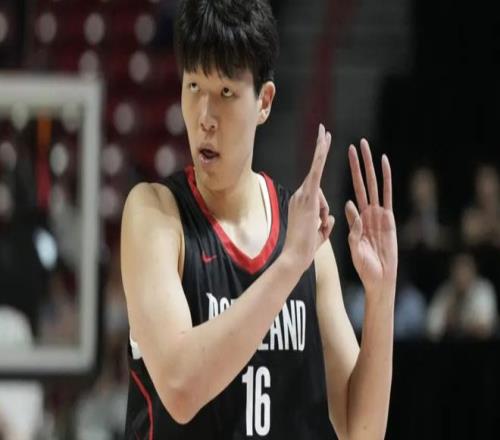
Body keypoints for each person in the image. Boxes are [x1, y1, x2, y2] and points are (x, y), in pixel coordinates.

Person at [120, 1, 398, 439]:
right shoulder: (154, 215)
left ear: (264, 101)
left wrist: (381, 297)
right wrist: (287, 267)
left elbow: (361, 430)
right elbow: (180, 388)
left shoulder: (304, 240)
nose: (205, 117)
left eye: (225, 92)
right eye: (194, 86)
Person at [427, 251, 497, 341]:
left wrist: (457, 324)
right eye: (457, 270)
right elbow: (431, 329)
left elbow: (485, 329)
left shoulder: (483, 289)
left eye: (465, 269)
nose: (460, 274)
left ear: (474, 271)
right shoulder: (445, 290)